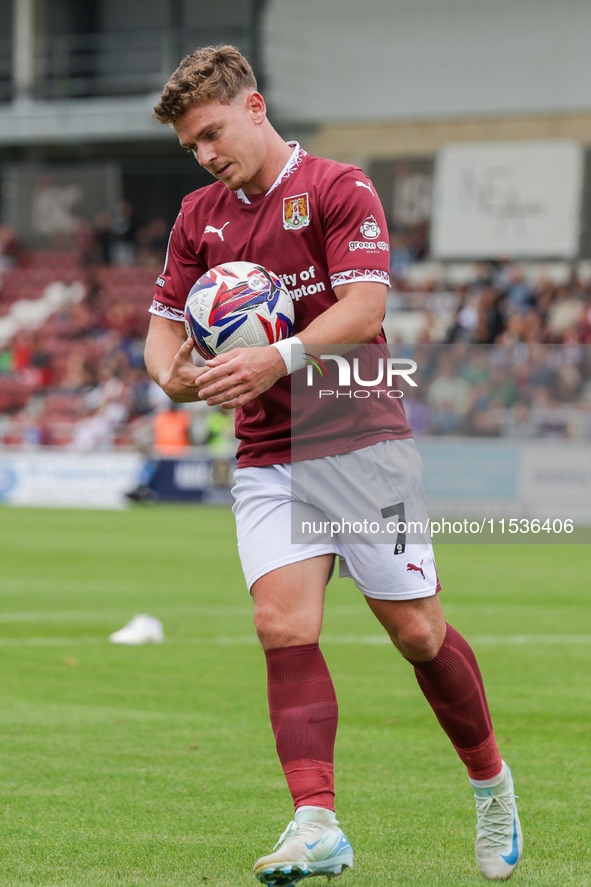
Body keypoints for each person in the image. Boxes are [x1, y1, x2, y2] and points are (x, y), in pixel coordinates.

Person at [144, 45, 522, 885]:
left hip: (360, 442)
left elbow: (364, 308)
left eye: (211, 133)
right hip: (267, 453)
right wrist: (166, 370)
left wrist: (277, 357)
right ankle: (316, 821)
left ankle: (491, 784)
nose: (205, 155)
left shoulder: (337, 188)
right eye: (190, 147)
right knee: (282, 625)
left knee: (417, 633)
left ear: (254, 107)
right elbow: (163, 324)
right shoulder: (196, 215)